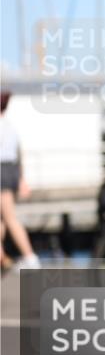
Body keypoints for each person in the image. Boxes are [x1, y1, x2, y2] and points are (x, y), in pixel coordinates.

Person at [0, 91, 40, 270]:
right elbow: (18, 155)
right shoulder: (9, 126)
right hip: (10, 171)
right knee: (3, 219)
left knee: (9, 218)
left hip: (1, 170)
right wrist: (22, 179)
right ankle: (2, 257)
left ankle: (30, 257)